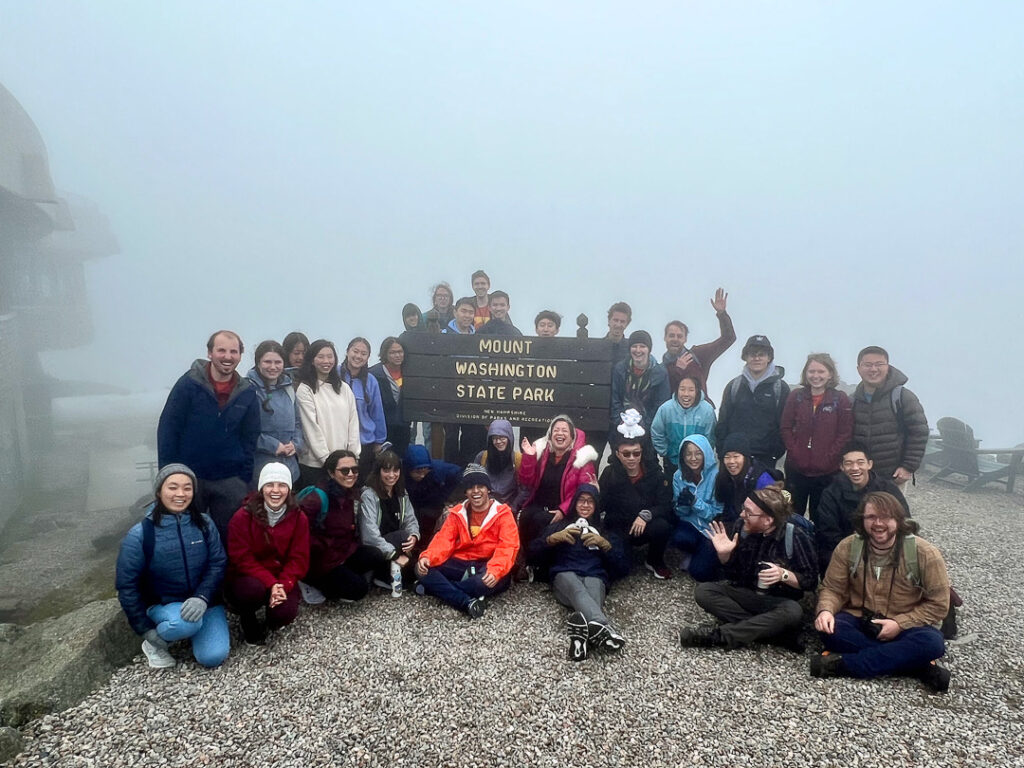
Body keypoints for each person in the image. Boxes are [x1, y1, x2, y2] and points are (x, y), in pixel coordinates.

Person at [812, 491, 951, 693]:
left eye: (886, 517)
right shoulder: (848, 546)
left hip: (907, 625)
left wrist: (899, 624)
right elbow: (833, 588)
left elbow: (939, 605)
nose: (878, 523)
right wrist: (825, 610)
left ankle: (844, 665)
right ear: (862, 519)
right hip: (860, 619)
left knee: (933, 643)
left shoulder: (925, 553)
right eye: (871, 517)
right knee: (830, 631)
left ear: (899, 519)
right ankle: (917, 666)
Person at [115, 464, 229, 669]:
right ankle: (156, 644)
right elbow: (127, 586)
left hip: (205, 603)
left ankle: (192, 629)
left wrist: (202, 597)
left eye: (187, 488)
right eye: (173, 487)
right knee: (186, 623)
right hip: (164, 604)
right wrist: (145, 629)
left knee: (213, 656)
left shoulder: (204, 523)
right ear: (159, 491)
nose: (180, 494)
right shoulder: (141, 534)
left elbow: (218, 562)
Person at [679, 485, 818, 651]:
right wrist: (725, 556)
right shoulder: (741, 527)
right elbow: (734, 575)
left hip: (778, 601)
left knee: (793, 611)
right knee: (704, 591)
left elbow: (810, 581)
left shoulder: (795, 536)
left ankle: (719, 636)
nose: (741, 514)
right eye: (743, 509)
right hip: (747, 594)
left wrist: (783, 575)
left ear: (768, 520)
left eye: (748, 512)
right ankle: (774, 633)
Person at [157, 330, 261, 540]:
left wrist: (244, 478)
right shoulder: (188, 385)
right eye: (221, 350)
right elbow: (168, 429)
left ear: (240, 355)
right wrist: (168, 475)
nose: (227, 356)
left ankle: (226, 573)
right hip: (190, 477)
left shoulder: (247, 391)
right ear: (210, 353)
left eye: (234, 351)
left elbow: (250, 437)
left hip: (230, 479)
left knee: (232, 536)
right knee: (188, 536)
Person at [529, 484, 629, 660]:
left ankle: (581, 641)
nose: (585, 505)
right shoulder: (560, 526)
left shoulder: (604, 531)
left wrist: (606, 546)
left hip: (595, 575)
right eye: (581, 500)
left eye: (590, 501)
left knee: (591, 588)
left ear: (596, 506)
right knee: (577, 589)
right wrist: (551, 540)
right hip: (564, 574)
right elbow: (532, 554)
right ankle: (605, 627)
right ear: (574, 503)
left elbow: (623, 567)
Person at [415, 465, 520, 618]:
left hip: (488, 565)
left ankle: (439, 589)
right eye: (470, 487)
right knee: (421, 570)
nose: (475, 491)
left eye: (480, 486)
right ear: (465, 492)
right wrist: (428, 557)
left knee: (482, 583)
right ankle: (465, 601)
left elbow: (508, 546)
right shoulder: (458, 513)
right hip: (462, 563)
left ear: (488, 489)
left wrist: (495, 570)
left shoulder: (503, 513)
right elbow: (444, 540)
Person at [226, 463, 310, 646]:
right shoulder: (242, 517)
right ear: (261, 488)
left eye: (281, 485)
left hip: (281, 576)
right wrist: (271, 583)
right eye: (269, 485)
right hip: (248, 577)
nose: (275, 491)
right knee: (250, 592)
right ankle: (247, 617)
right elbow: (241, 558)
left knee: (283, 615)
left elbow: (299, 558)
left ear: (289, 489)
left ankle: (271, 614)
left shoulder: (298, 517)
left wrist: (284, 584)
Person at [298, 450, 380, 604]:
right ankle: (309, 582)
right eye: (344, 470)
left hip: (341, 554)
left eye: (355, 469)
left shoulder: (348, 492)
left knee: (376, 555)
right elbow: (298, 535)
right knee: (360, 590)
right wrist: (325, 545)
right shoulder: (316, 499)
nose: (351, 474)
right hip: (321, 561)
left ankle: (342, 577)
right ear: (331, 472)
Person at [517, 415, 599, 568]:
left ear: (572, 437)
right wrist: (529, 457)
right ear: (550, 434)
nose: (560, 434)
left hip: (564, 508)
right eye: (556, 430)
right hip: (539, 503)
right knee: (525, 517)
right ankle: (528, 558)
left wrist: (563, 510)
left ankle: (537, 562)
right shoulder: (543, 453)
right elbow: (526, 481)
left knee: (540, 521)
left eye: (564, 431)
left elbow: (583, 491)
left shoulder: (582, 458)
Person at [815, 443, 909, 575]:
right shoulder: (831, 494)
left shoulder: (888, 489)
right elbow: (828, 532)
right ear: (841, 467)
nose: (855, 468)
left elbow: (904, 520)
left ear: (869, 464)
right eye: (848, 463)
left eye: (860, 462)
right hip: (847, 548)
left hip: (885, 545)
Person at [781, 353, 854, 519]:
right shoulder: (796, 396)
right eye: (811, 371)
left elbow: (845, 433)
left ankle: (818, 546)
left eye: (821, 372)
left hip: (827, 472)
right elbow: (785, 427)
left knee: (822, 517)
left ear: (830, 374)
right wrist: (794, 451)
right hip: (796, 470)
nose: (816, 376)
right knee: (790, 516)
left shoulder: (840, 399)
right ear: (805, 373)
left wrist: (830, 457)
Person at [597, 434, 674, 579]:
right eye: (626, 454)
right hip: (619, 527)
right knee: (620, 569)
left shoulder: (655, 474)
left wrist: (646, 515)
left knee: (663, 526)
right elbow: (601, 506)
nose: (632, 458)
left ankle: (654, 559)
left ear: (641, 453)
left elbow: (665, 505)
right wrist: (595, 493)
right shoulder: (609, 473)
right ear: (618, 454)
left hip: (645, 526)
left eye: (636, 453)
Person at [851, 346, 929, 486]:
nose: (873, 369)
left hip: (892, 476)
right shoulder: (853, 400)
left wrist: (908, 467)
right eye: (867, 365)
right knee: (858, 509)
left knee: (890, 508)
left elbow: (919, 433)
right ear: (858, 369)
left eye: (879, 364)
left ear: (887, 366)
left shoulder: (902, 397)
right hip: (860, 475)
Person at [294, 339, 361, 491]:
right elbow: (310, 429)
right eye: (321, 356)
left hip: (344, 467)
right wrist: (330, 463)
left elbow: (353, 423)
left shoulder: (344, 388)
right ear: (311, 360)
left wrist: (352, 458)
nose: (326, 361)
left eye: (330, 356)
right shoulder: (305, 389)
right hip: (316, 466)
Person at [716, 335, 789, 467]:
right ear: (745, 357)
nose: (756, 358)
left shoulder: (780, 388)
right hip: (735, 459)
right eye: (752, 354)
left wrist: (775, 453)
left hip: (766, 460)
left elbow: (785, 425)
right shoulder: (734, 386)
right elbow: (723, 423)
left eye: (761, 354)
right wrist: (723, 452)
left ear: (769, 358)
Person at [359, 451, 420, 597]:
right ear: (378, 471)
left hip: (397, 545)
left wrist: (414, 536)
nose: (391, 475)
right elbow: (369, 534)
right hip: (376, 548)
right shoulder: (369, 495)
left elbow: (410, 519)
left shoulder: (401, 493)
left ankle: (389, 576)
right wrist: (394, 554)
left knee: (420, 567)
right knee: (402, 537)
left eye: (395, 470)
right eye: (386, 470)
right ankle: (381, 575)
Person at [662, 288, 736, 404]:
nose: (675, 339)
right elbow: (665, 396)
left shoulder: (699, 355)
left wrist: (722, 314)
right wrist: (677, 370)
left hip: (701, 414)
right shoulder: (661, 368)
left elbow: (728, 338)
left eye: (679, 336)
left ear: (685, 339)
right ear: (665, 338)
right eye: (671, 335)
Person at [247, 340, 305, 484]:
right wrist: (273, 445)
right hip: (259, 468)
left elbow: (298, 422)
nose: (273, 367)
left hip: (289, 467)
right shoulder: (248, 389)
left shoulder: (288, 388)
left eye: (277, 362)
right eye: (267, 362)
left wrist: (296, 444)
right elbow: (244, 430)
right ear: (258, 362)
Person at [669, 434, 723, 581]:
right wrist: (682, 504)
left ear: (706, 453)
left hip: (711, 528)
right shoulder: (678, 476)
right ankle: (693, 552)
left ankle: (707, 555)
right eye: (688, 454)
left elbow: (717, 512)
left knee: (700, 573)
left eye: (698, 453)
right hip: (691, 524)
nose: (693, 458)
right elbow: (680, 513)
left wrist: (694, 502)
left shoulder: (717, 476)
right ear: (683, 456)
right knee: (678, 537)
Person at [609, 330, 671, 445]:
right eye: (634, 346)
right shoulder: (620, 369)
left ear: (649, 349)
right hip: (621, 425)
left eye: (642, 346)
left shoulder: (660, 372)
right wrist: (621, 423)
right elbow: (615, 400)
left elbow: (660, 405)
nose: (638, 350)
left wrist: (643, 425)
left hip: (647, 427)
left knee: (649, 461)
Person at [651, 374, 718, 477]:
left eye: (691, 390)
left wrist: (701, 457)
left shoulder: (707, 410)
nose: (686, 394)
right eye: (682, 389)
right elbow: (656, 432)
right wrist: (665, 452)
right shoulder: (666, 409)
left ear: (697, 391)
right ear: (677, 390)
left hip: (697, 464)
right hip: (673, 462)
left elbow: (711, 438)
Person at [340, 336, 388, 478]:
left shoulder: (371, 381)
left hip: (364, 443)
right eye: (355, 351)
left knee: (361, 485)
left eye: (363, 353)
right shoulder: (334, 376)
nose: (358, 356)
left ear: (368, 358)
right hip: (338, 442)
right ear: (347, 351)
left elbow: (377, 412)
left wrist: (379, 441)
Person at [402, 444, 463, 545]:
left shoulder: (439, 470)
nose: (422, 475)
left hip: (434, 504)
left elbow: (460, 475)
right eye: (417, 472)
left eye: (425, 470)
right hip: (414, 506)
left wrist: (446, 497)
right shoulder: (401, 475)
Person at [714, 433, 779, 525]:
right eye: (727, 457)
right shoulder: (726, 477)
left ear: (746, 457)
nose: (731, 461)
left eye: (736, 456)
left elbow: (772, 517)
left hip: (758, 526)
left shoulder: (762, 480)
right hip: (736, 523)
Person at [369, 336, 411, 456]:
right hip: (382, 429)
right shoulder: (373, 374)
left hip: (403, 429)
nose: (397, 355)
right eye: (392, 352)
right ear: (385, 354)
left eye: (400, 351)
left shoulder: (410, 372)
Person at [473, 419, 522, 504]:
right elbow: (473, 482)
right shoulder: (482, 457)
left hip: (508, 507)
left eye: (502, 437)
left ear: (509, 437)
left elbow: (524, 490)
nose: (498, 441)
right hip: (484, 505)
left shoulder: (518, 459)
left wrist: (513, 508)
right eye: (495, 438)